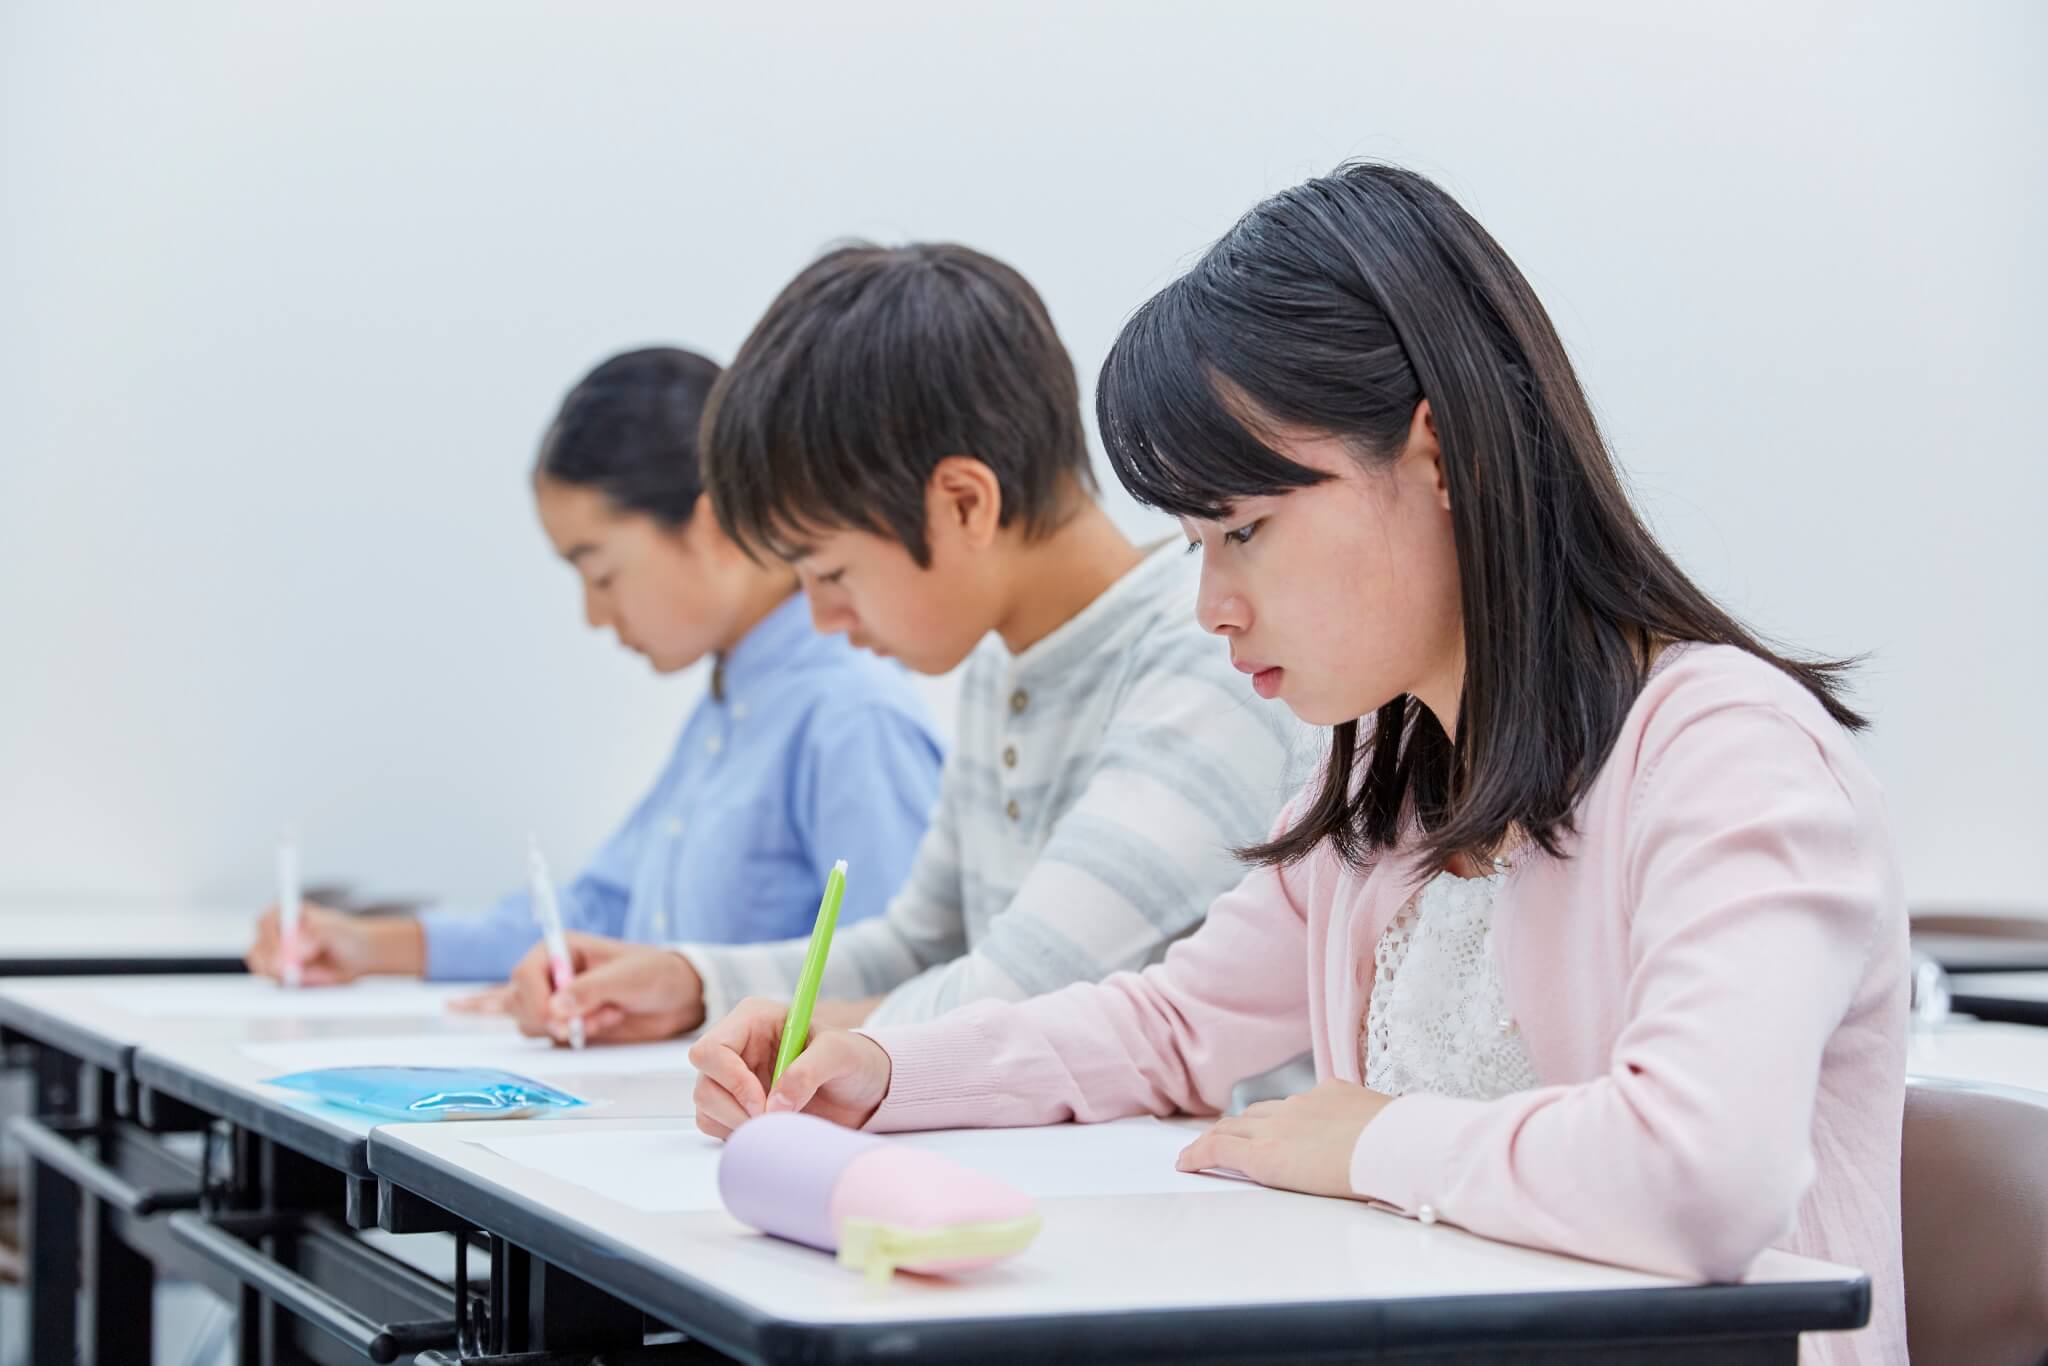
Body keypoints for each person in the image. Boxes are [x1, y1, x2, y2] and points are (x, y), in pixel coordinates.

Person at [687, 167, 1906, 1366]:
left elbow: (1699, 1177)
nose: (1211, 603)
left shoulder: (1724, 749)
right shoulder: (1389, 771)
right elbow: (1169, 1024)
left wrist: (1369, 1140)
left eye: (1244, 532)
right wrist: (886, 1071)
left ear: (1439, 457)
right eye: (1192, 543)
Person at [505, 245, 1302, 1044]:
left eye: (831, 572)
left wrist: (800, 1035)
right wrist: (693, 983)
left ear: (963, 504)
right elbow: (920, 945)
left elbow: (1021, 990)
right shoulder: (1002, 666)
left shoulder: (1209, 656)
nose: (822, 619)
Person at [246, 347, 943, 990]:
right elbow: (595, 912)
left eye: (601, 573)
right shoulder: (730, 710)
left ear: (712, 525)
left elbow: (904, 980)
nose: (594, 616)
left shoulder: (853, 714)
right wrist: (374, 946)